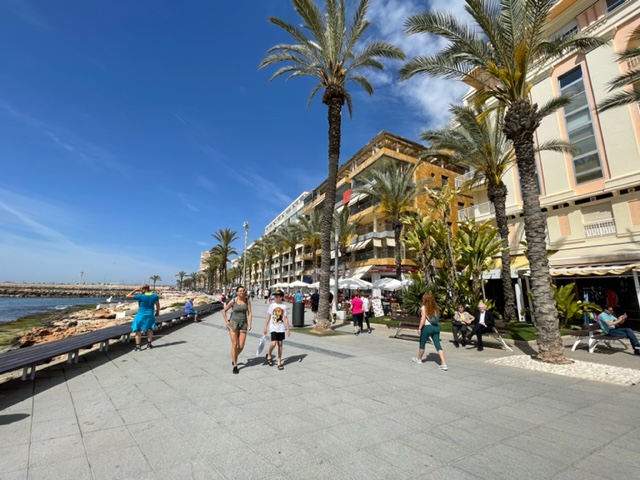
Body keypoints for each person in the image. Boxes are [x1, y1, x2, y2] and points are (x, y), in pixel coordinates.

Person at [412, 292, 447, 370]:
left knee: (422, 343)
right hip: (436, 327)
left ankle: (419, 359)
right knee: (438, 345)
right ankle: (443, 363)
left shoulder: (424, 307)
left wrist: (419, 328)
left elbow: (423, 319)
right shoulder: (435, 307)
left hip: (427, 327)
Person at [222, 285, 252, 374]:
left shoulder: (247, 300)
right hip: (233, 323)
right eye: (240, 291)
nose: (241, 292)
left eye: (243, 291)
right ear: (237, 292)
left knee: (241, 346)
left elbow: (249, 313)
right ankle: (235, 365)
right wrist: (226, 322)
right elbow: (223, 311)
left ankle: (233, 356)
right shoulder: (233, 300)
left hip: (243, 324)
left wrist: (250, 323)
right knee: (234, 344)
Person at [126, 284, 160, 351]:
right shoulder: (154, 295)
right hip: (150, 314)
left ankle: (138, 346)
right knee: (150, 329)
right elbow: (157, 305)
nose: (141, 290)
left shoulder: (141, 296)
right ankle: (149, 345)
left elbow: (128, 296)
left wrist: (135, 290)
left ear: (144, 289)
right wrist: (157, 312)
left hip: (140, 314)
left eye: (141, 289)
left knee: (138, 330)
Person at [263, 289, 290, 370]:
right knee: (274, 343)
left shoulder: (284, 307)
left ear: (281, 297)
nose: (275, 297)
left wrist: (287, 328)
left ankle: (279, 361)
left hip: (281, 328)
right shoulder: (272, 305)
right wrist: (265, 327)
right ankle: (269, 354)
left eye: (277, 296)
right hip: (273, 327)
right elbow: (268, 317)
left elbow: (285, 318)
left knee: (280, 344)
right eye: (274, 296)